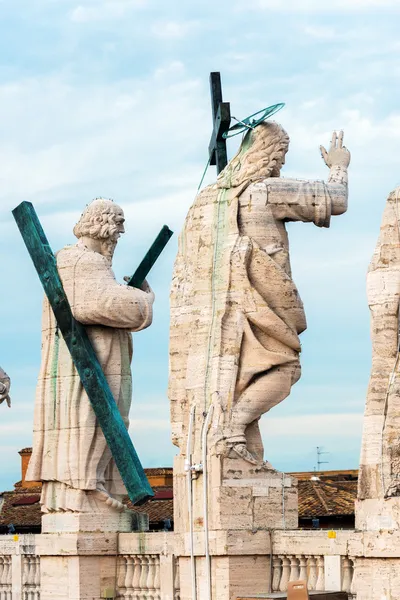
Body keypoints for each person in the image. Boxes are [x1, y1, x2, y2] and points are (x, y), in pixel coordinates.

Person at [169, 123, 350, 465]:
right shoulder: (264, 190)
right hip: (258, 303)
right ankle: (232, 429)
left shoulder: (204, 202)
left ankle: (235, 438)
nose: (280, 164)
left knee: (244, 379)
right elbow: (335, 200)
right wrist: (339, 165)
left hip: (213, 317)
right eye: (280, 155)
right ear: (268, 155)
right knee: (286, 367)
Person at [26, 198, 154, 512]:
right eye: (118, 223)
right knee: (91, 419)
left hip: (98, 359)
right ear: (102, 224)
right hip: (87, 364)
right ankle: (84, 485)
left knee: (109, 420)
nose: (120, 232)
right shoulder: (81, 260)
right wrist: (144, 299)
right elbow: (99, 305)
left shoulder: (88, 262)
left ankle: (91, 483)